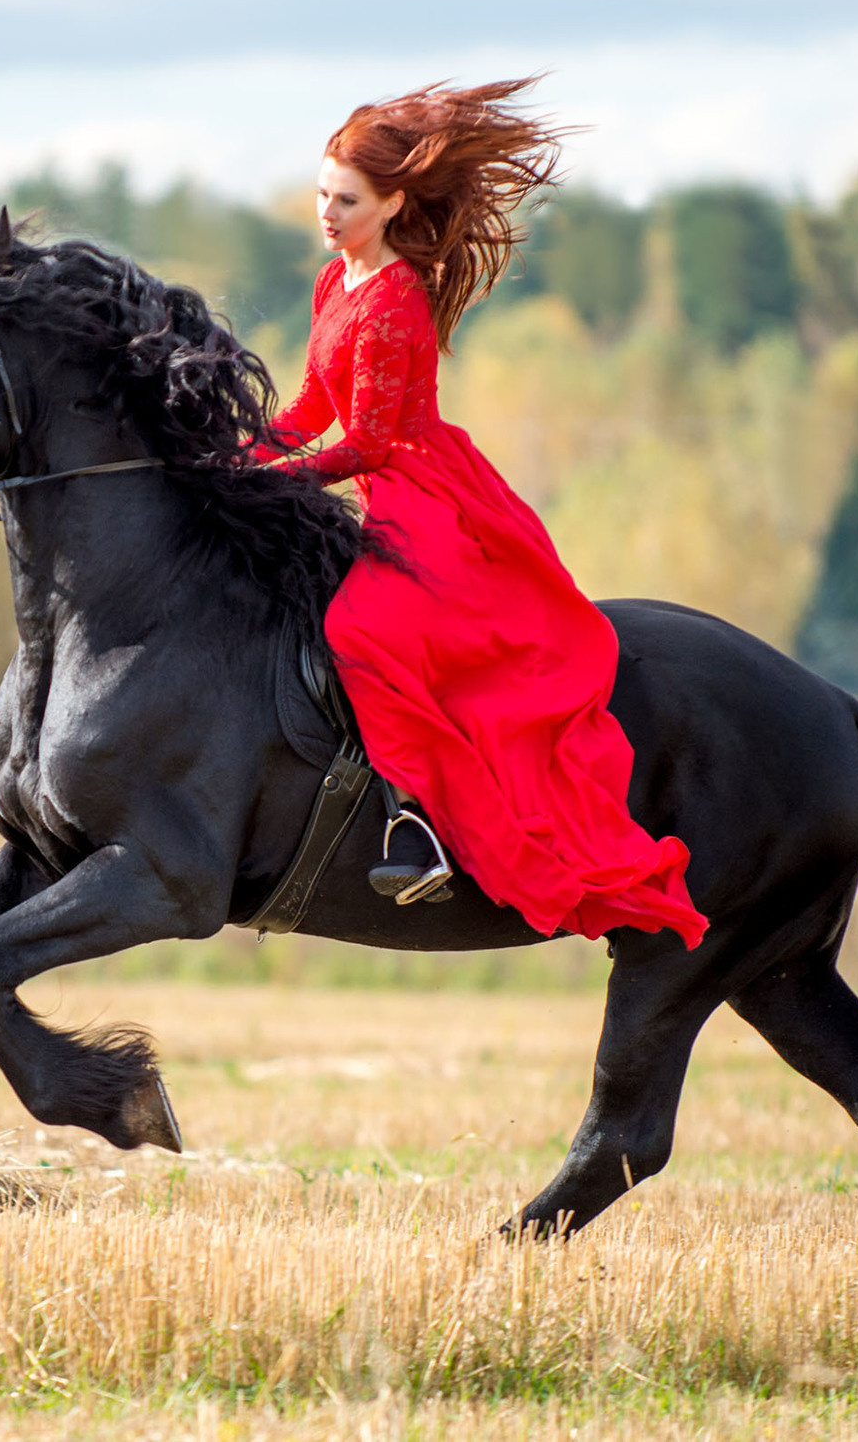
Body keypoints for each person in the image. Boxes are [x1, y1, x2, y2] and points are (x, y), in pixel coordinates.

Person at [256, 80, 706, 948]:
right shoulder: (333, 282)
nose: (327, 213)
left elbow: (372, 443)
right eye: (321, 195)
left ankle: (413, 823)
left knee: (363, 635)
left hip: (423, 492)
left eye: (345, 201)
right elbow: (314, 408)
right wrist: (235, 455)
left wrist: (280, 483)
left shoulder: (392, 299)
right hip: (377, 483)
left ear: (391, 204)